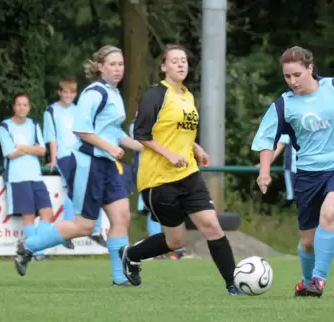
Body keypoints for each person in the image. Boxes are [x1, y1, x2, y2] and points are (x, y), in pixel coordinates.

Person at [252, 46, 334, 298]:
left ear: (310, 68)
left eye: (297, 74)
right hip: (309, 175)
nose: (292, 81)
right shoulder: (283, 105)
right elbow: (266, 139)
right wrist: (264, 171)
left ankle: (318, 281)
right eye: (287, 76)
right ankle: (308, 281)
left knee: (330, 211)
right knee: (308, 243)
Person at [118, 44, 242, 295]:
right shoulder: (155, 95)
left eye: (183, 60)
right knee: (176, 241)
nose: (180, 64)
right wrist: (170, 155)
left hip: (188, 174)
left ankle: (234, 284)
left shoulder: (187, 96)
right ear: (164, 67)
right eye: (174, 61)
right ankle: (131, 255)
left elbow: (175, 131)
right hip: (158, 180)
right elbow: (142, 134)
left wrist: (195, 148)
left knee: (212, 226)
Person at [14, 45, 142, 287]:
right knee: (83, 225)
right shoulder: (94, 93)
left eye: (121, 64)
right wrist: (110, 147)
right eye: (112, 64)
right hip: (89, 164)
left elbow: (114, 130)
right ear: (100, 67)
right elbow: (81, 130)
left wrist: (141, 147)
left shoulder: (114, 93)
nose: (117, 69)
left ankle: (121, 278)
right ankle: (28, 246)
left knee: (121, 217)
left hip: (107, 165)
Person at [43, 80, 106, 250]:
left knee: (91, 188)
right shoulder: (51, 111)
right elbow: (52, 136)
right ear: (59, 92)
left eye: (71, 92)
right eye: (65, 92)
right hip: (65, 155)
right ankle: (68, 232)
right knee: (74, 191)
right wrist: (54, 157)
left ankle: (95, 229)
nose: (68, 95)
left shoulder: (78, 109)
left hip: (82, 154)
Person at [265, 134, 334, 257]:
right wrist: (266, 164)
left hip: (318, 170)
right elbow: (279, 145)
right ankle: (309, 243)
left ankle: (320, 244)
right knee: (308, 207)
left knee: (325, 206)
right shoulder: (290, 120)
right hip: (297, 172)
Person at [0, 94, 54, 261]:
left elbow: (42, 150)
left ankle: (33, 248)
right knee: (28, 215)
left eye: (25, 105)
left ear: (29, 107)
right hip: (17, 177)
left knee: (47, 212)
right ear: (14, 107)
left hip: (35, 175)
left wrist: (22, 147)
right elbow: (10, 154)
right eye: (19, 104)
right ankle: (38, 253)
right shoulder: (5, 127)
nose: (22, 108)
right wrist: (32, 149)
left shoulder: (34, 124)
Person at [128, 119, 187, 260]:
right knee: (153, 209)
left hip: (168, 170)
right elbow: (139, 144)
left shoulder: (168, 119)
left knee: (173, 205)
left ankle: (173, 246)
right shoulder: (137, 123)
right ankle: (157, 249)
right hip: (148, 171)